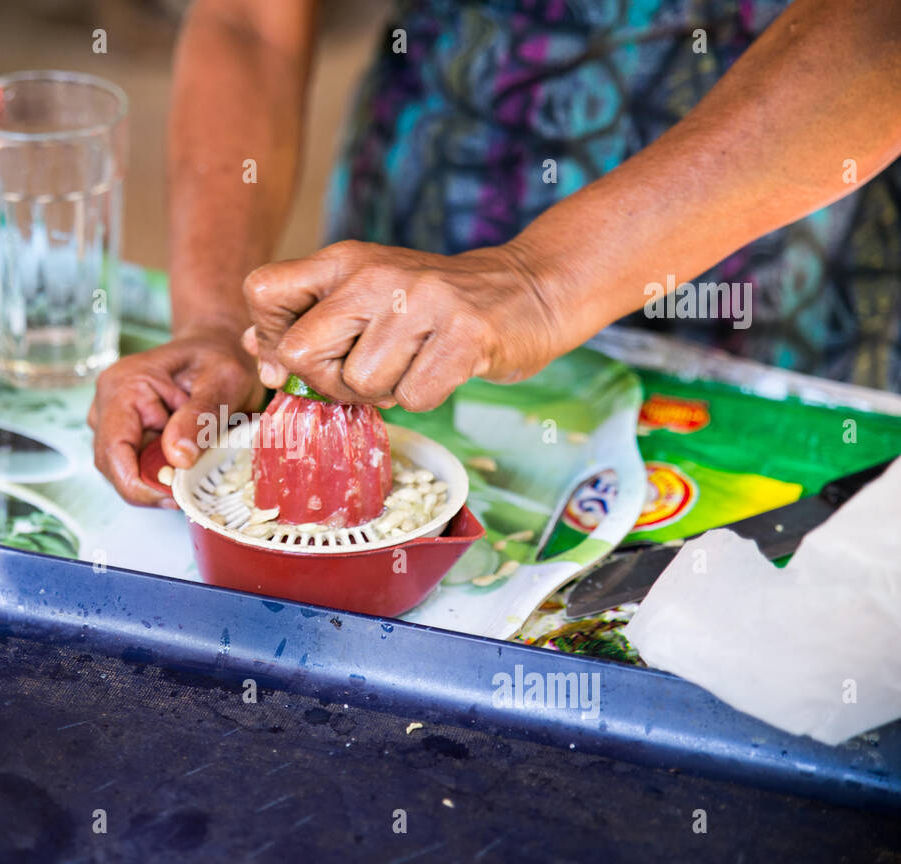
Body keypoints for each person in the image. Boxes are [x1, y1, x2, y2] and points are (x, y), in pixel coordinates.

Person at [89, 0, 901, 506]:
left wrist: (539, 283)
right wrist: (215, 321)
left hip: (772, 235)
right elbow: (251, 21)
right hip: (438, 199)